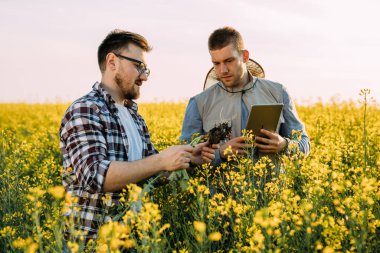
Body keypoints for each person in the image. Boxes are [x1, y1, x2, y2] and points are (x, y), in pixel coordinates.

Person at [59, 29, 216, 243]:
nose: (144, 76)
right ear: (112, 61)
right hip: (94, 243)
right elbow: (95, 176)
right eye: (139, 66)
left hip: (134, 241)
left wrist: (189, 160)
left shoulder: (134, 117)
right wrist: (161, 160)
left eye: (146, 69)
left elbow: (150, 173)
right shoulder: (86, 110)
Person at [180, 26, 310, 165]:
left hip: (271, 186)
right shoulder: (199, 103)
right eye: (216, 63)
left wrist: (284, 145)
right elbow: (185, 160)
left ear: (245, 56)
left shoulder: (278, 92)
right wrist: (221, 153)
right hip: (222, 187)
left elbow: (304, 144)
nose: (223, 70)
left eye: (229, 61)